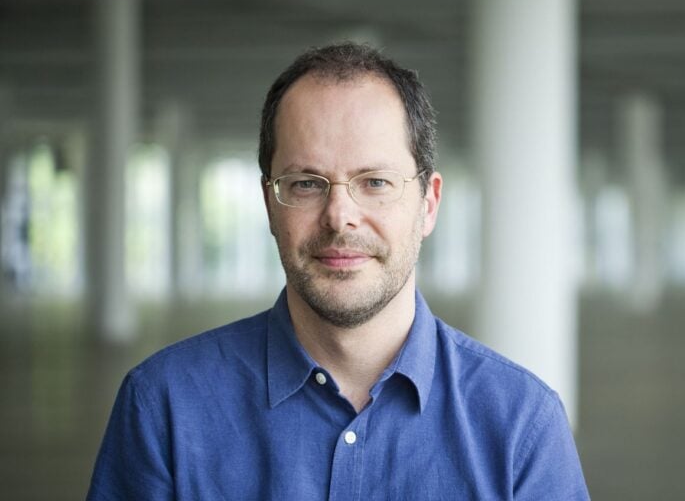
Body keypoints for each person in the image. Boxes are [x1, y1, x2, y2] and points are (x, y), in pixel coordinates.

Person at [87, 42, 590, 500]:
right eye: (307, 183)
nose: (339, 216)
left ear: (429, 204)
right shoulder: (164, 407)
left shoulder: (521, 423)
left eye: (374, 181)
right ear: (269, 204)